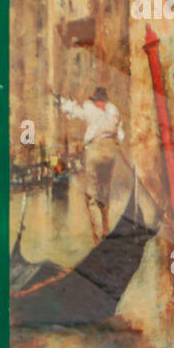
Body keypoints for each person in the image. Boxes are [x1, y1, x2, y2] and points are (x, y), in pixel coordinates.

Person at [58, 86, 125, 242]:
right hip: (110, 151)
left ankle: (96, 235)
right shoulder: (114, 110)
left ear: (96, 101)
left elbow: (73, 112)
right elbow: (120, 135)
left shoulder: (90, 108)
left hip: (95, 150)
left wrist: (64, 102)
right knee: (105, 189)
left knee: (92, 192)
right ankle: (106, 228)